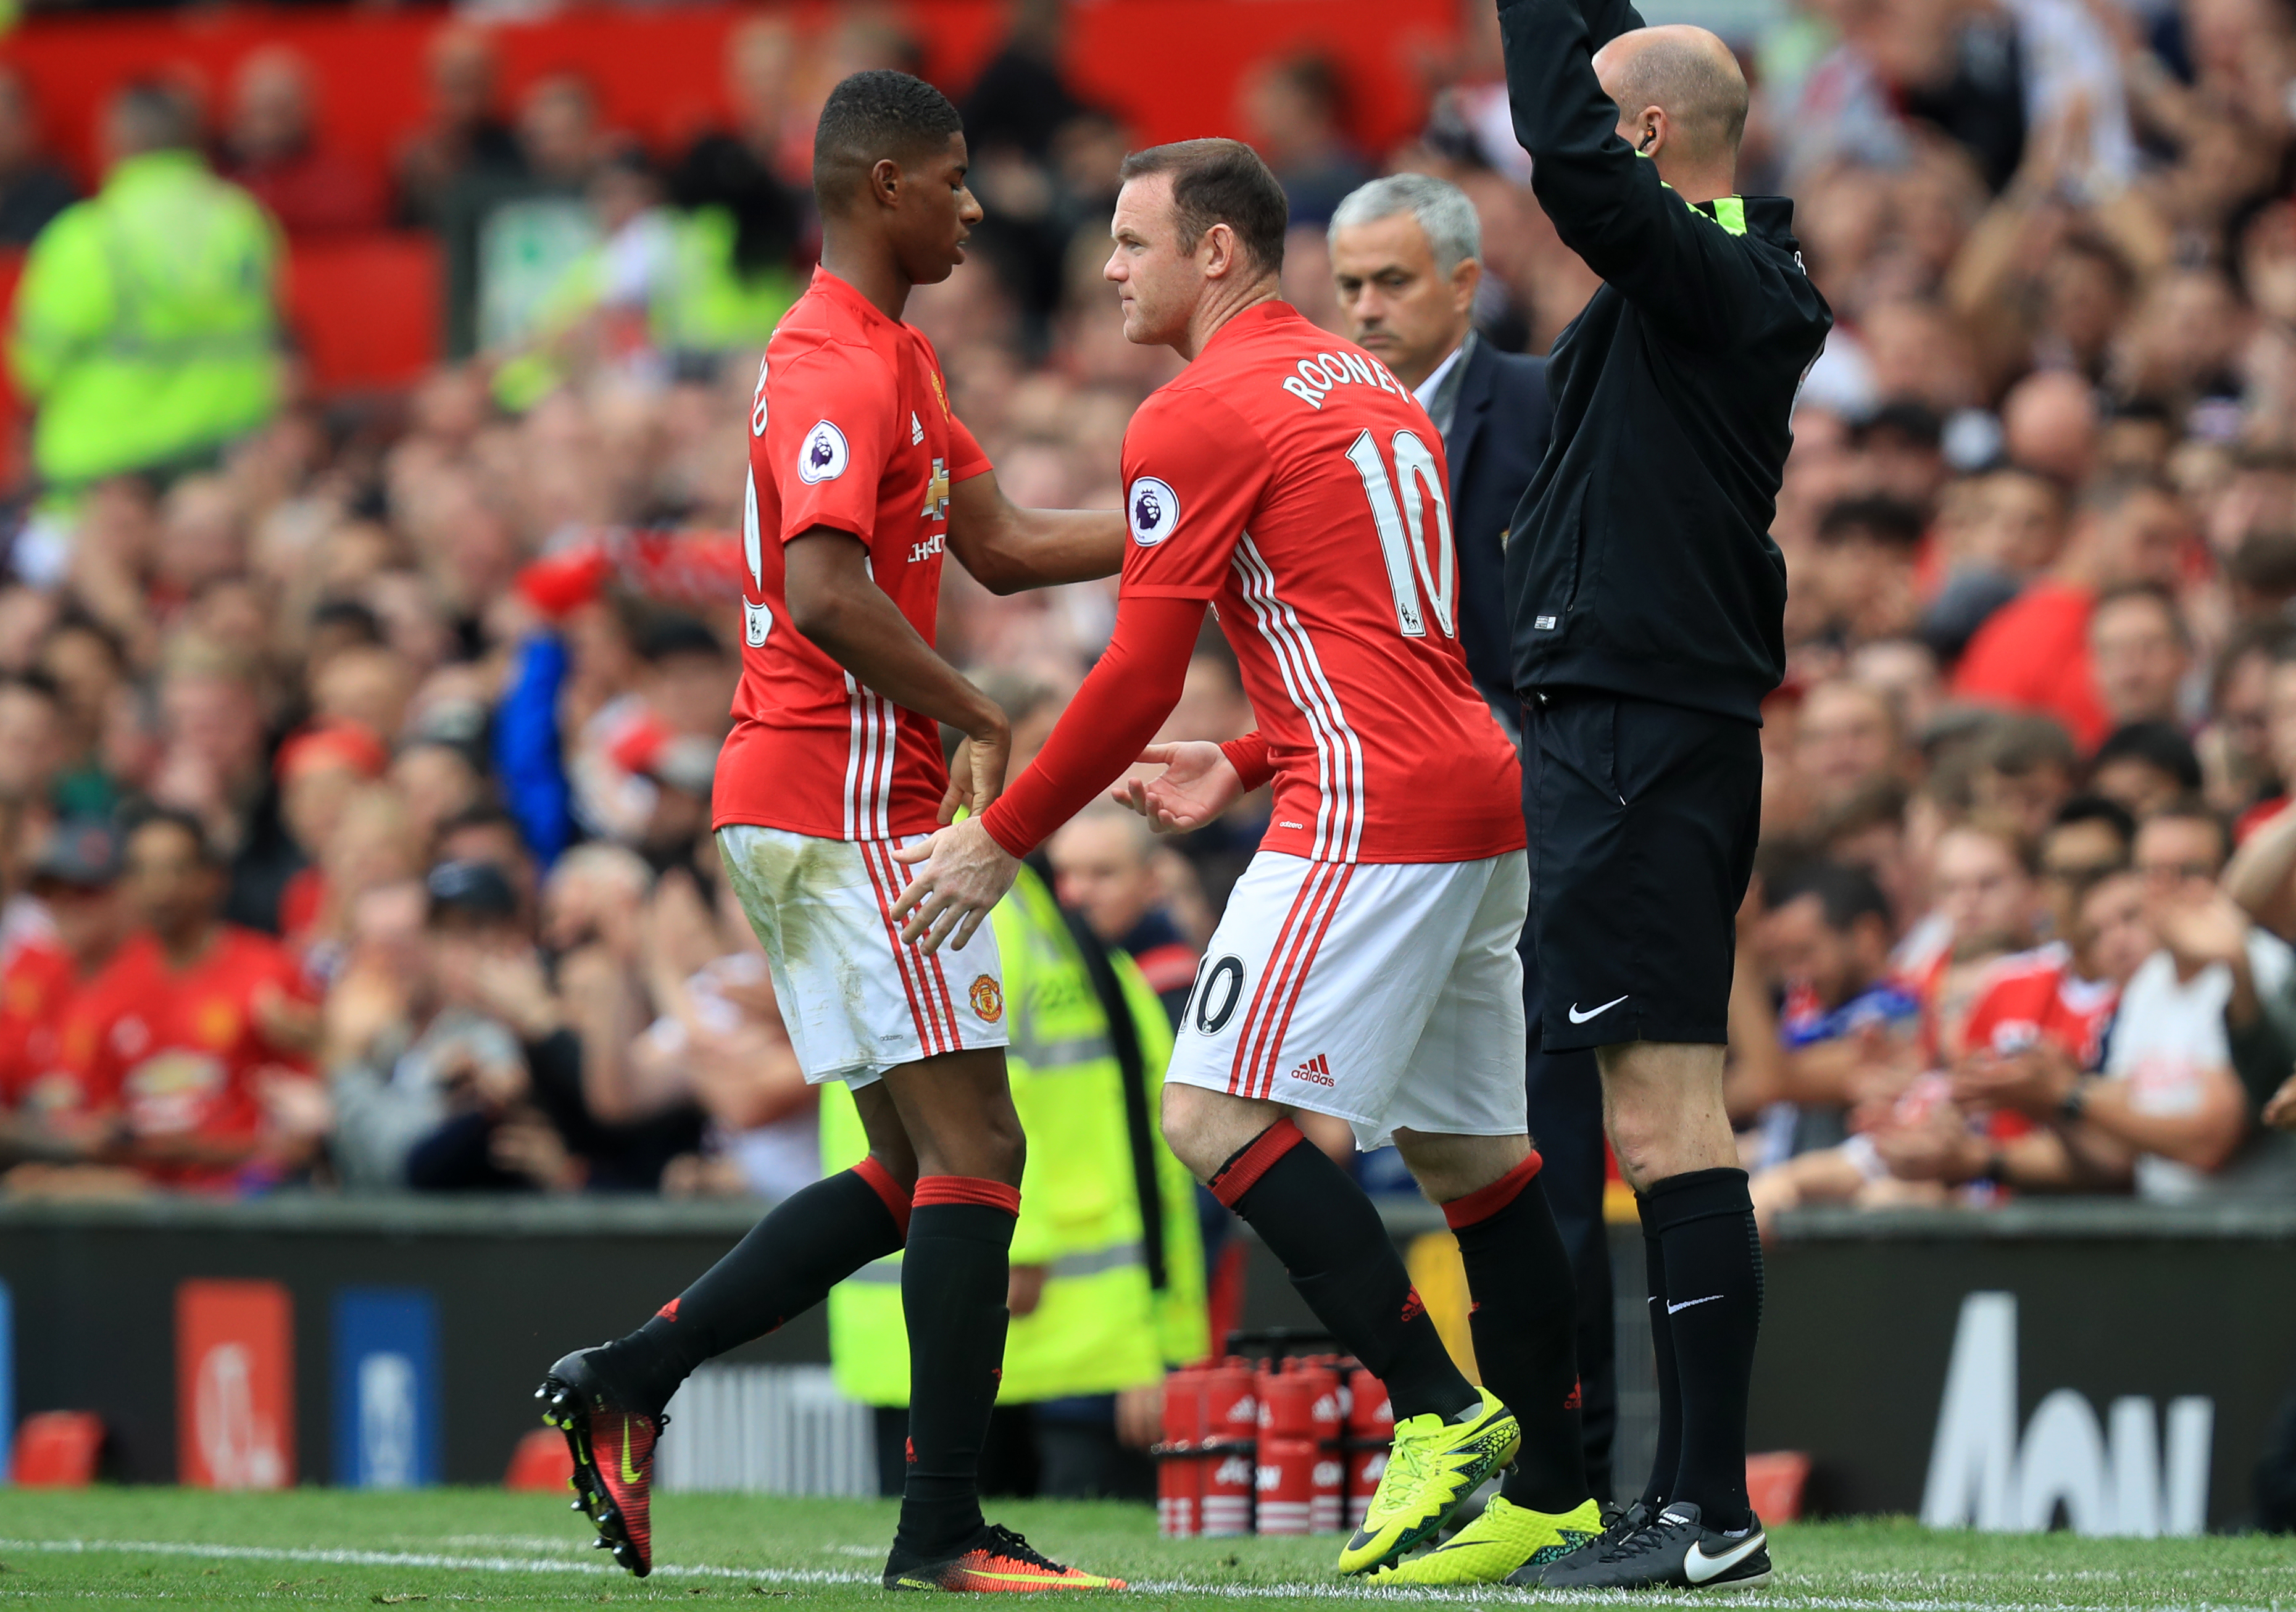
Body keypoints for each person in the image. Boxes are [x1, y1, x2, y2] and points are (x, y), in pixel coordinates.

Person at [891, 138, 1600, 1582]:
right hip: (1473, 790)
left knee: (1209, 1111)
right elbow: (1390, 641)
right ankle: (1556, 1492)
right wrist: (1246, 753)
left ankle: (1439, 1410)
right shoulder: (1370, 384)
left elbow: (1135, 676)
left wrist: (1003, 835)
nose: (1106, 269)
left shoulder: (1196, 409)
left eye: (1131, 242)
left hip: (1371, 806)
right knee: (1474, 1157)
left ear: (1214, 251)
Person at [535, 70, 1127, 1592]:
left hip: (816, 796)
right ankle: (941, 1530)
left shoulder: (893, 354)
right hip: (845, 795)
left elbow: (1000, 544)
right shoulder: (831, 363)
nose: (975, 207)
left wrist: (1182, 524)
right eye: (954, 179)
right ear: (883, 187)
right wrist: (978, 710)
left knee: (910, 1169)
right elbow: (820, 591)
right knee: (980, 1147)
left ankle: (631, 1375)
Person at [1497, 0, 1831, 1582]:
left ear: (1647, 142)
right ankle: (1694, 1504)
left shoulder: (1721, 281)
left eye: (1610, 115)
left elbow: (1568, 152)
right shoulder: (1717, 274)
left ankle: (1706, 1510)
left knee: (1665, 1115)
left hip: (1636, 728)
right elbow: (1611, 106)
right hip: (1636, 723)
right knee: (1656, 1115)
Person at [1327, 170, 1615, 1498]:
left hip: (1534, 830)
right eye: (1348, 285)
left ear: (1462, 282)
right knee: (1447, 1157)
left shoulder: (1546, 407)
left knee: (1538, 1155)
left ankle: (1569, 1477)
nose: (1365, 308)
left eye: (1391, 282)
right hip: (1380, 832)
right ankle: (1473, 1448)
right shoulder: (1325, 427)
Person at [9, 81, 281, 493]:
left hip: (105, 477)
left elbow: (34, 368)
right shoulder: (246, 225)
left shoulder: (88, 237)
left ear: (118, 141)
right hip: (225, 471)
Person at [60, 809, 322, 1194]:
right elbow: (94, 1122)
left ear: (212, 879)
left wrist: (191, 1151)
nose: (160, 888)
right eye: (143, 872)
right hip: (145, 1197)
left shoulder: (271, 974)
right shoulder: (109, 987)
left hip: (251, 1196)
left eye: (176, 870)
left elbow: (306, 1134)